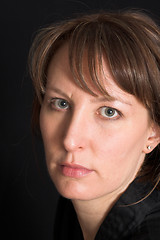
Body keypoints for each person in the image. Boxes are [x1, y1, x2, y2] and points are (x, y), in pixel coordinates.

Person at [28, 10, 160, 239]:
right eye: (60, 103)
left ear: (153, 133)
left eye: (109, 112)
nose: (70, 140)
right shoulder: (76, 205)